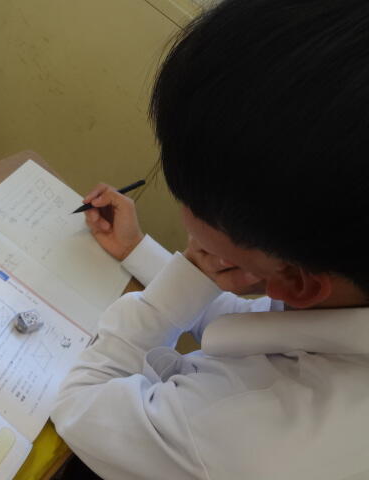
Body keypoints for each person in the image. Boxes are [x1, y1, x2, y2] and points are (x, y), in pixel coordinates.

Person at [50, 0, 369, 479]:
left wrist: (173, 290)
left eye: (201, 216)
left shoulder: (250, 431)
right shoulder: (339, 284)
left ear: (295, 281)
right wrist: (140, 251)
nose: (187, 216)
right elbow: (253, 331)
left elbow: (81, 405)